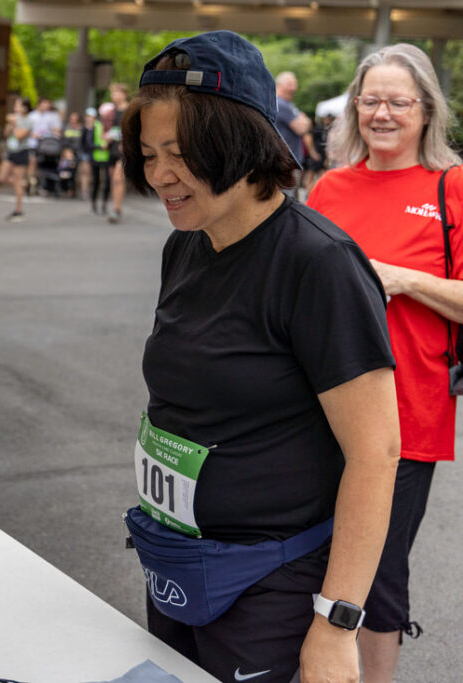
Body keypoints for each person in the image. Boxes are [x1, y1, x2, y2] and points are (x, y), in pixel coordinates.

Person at [121, 31, 399, 683]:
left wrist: (336, 623)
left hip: (272, 581)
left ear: (241, 143)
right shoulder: (187, 244)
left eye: (181, 154)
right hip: (177, 561)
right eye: (149, 155)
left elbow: (376, 452)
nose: (160, 175)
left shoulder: (318, 262)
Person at [306, 43, 463, 683]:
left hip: (408, 416)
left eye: (398, 101)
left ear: (426, 110)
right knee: (310, 560)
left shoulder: (451, 188)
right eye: (370, 100)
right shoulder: (328, 188)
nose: (383, 113)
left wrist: (402, 278)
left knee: (377, 573)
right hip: (317, 411)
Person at [275, 71, 321, 195]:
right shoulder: (281, 104)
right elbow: (301, 128)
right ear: (279, 85)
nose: (294, 88)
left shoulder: (287, 105)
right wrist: (303, 120)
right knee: (286, 197)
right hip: (285, 162)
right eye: (290, 84)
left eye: (294, 84)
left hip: (289, 162)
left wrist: (303, 121)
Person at [2, 97, 32, 222]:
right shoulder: (14, 118)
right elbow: (6, 134)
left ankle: (18, 210)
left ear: (25, 108)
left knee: (17, 183)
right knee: (2, 177)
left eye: (18, 105)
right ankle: (25, 183)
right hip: (11, 151)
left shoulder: (28, 121)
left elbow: (19, 136)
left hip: (21, 152)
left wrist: (14, 124)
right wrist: (10, 124)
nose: (16, 107)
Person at [108, 82, 129, 223]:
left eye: (116, 93)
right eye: (112, 94)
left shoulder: (130, 110)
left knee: (118, 178)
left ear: (123, 94)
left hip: (125, 149)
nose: (114, 96)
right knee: (113, 179)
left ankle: (116, 209)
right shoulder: (111, 112)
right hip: (111, 148)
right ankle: (116, 206)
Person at [90, 102, 114, 216]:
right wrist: (100, 146)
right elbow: (88, 143)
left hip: (108, 158)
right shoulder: (96, 125)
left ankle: (104, 204)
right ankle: (94, 203)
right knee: (96, 181)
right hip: (96, 157)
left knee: (108, 181)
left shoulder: (112, 126)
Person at [79, 107, 97, 200]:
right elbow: (81, 141)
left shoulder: (97, 127)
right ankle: (84, 190)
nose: (89, 118)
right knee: (85, 171)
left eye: (91, 116)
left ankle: (91, 190)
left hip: (95, 152)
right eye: (88, 116)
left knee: (92, 172)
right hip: (86, 152)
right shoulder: (83, 128)